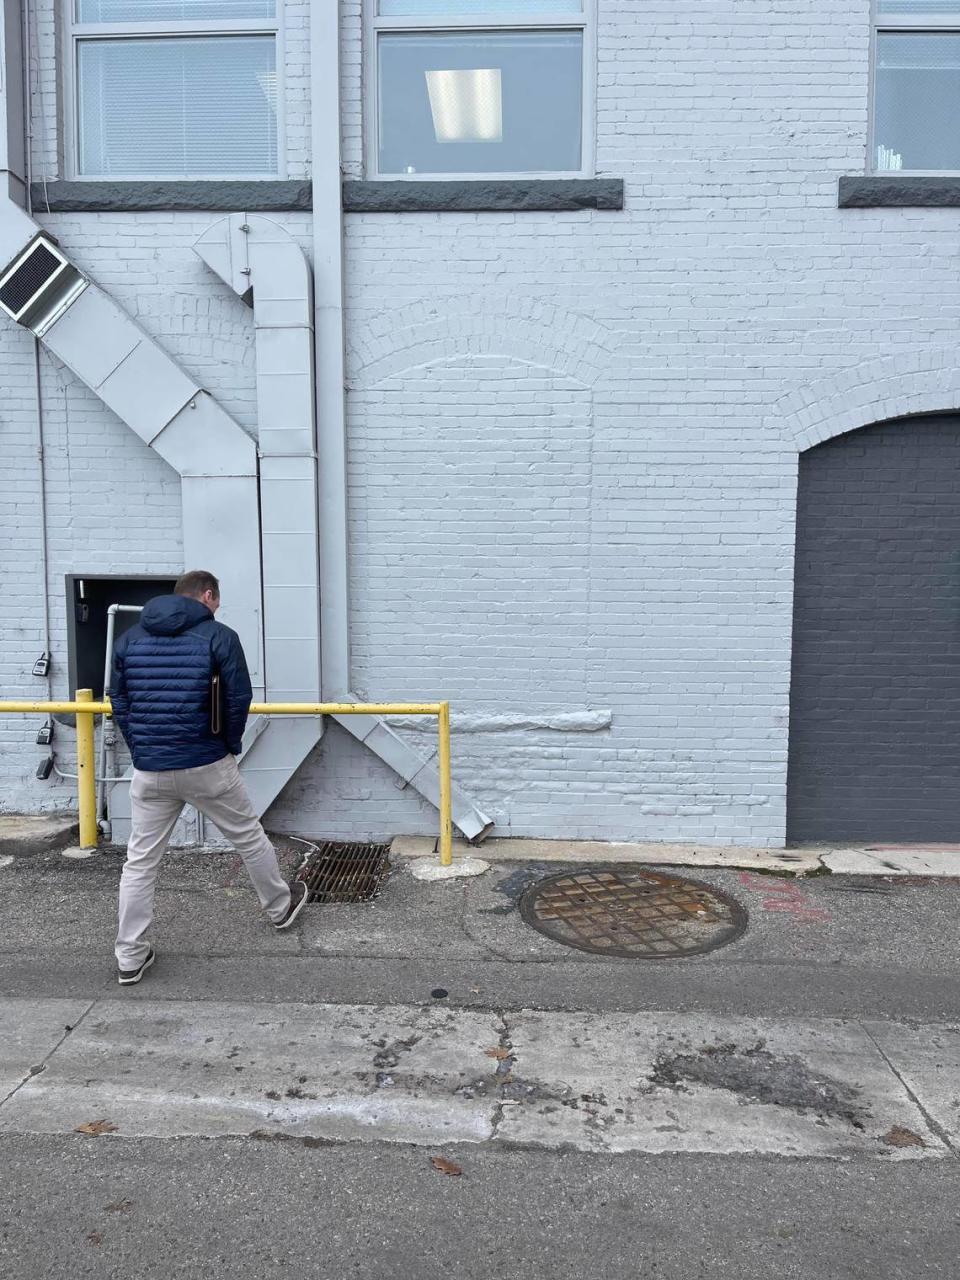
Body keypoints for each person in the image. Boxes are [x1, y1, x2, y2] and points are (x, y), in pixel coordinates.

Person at [110, 569, 308, 985]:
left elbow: (120, 699)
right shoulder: (219, 636)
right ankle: (279, 909)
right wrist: (228, 745)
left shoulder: (130, 637)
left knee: (140, 861)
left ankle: (129, 956)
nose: (217, 607)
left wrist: (141, 748)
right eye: (216, 600)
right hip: (207, 763)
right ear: (207, 595)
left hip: (149, 769)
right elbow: (238, 697)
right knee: (248, 836)